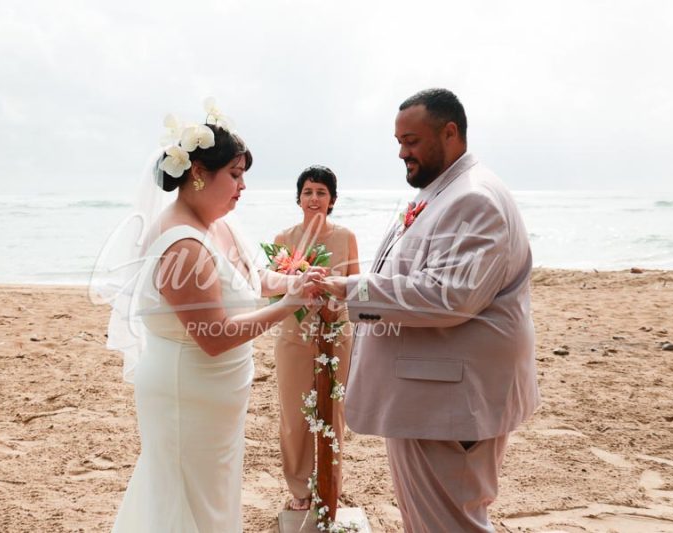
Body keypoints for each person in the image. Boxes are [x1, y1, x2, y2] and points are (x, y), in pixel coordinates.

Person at [317, 89, 540, 532]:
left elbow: (449, 295)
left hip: (447, 400)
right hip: (432, 396)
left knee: (450, 523)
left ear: (450, 132)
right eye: (399, 141)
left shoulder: (474, 199)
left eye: (412, 140)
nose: (402, 152)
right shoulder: (446, 191)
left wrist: (350, 290)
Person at [95, 108, 323, 533]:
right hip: (187, 392)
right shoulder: (182, 244)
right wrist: (289, 304)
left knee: (212, 495)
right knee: (185, 499)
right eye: (235, 175)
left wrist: (296, 279)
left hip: (217, 396)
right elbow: (214, 337)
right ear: (198, 172)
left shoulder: (221, 223)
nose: (243, 186)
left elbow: (253, 276)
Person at [271, 165, 359, 511]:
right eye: (308, 192)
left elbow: (355, 287)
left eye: (321, 192)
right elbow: (276, 295)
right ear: (298, 198)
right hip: (294, 336)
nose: (314, 198)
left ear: (332, 200)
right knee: (295, 416)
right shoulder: (283, 241)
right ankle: (299, 488)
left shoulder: (346, 237)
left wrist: (333, 303)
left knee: (333, 411)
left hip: (336, 334)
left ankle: (329, 485)